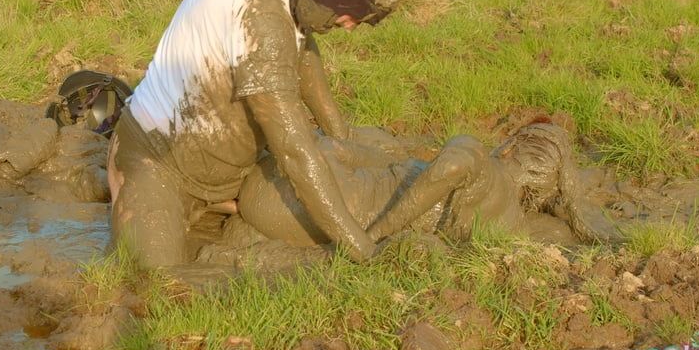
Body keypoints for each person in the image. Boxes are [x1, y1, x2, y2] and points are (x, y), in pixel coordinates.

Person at [106, 0, 405, 268]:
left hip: (231, 178)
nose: (350, 25)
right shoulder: (258, 12)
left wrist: (340, 137)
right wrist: (362, 250)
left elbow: (301, 48)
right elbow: (293, 151)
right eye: (350, 14)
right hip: (156, 164)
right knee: (155, 280)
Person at [238, 121, 621, 247]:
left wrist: (371, 235)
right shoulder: (515, 227)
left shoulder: (484, 165)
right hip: (292, 219)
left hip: (300, 197)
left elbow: (452, 166)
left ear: (510, 148)